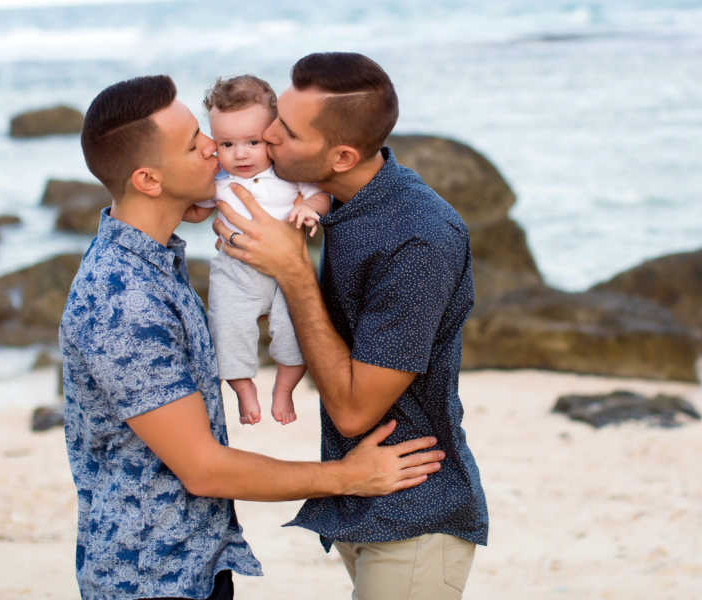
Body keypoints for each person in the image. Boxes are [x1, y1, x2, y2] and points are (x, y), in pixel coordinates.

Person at [60, 74, 447, 600]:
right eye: (195, 143)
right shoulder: (123, 296)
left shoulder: (154, 261)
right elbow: (203, 469)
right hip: (150, 578)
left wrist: (194, 204)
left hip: (192, 563)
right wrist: (346, 477)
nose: (213, 149)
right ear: (149, 180)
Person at [211, 52, 489, 600]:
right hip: (359, 499)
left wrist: (292, 270)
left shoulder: (420, 240)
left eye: (284, 131)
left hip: (413, 509)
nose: (265, 135)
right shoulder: (338, 199)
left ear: (340, 155)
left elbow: (355, 409)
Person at [191, 75, 331, 426]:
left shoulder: (289, 176)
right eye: (226, 144)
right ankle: (243, 390)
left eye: (252, 141)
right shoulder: (220, 184)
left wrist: (309, 209)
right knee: (228, 329)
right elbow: (194, 211)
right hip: (235, 273)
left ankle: (283, 390)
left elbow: (321, 196)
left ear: (272, 135)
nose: (240, 154)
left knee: (296, 334)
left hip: (288, 273)